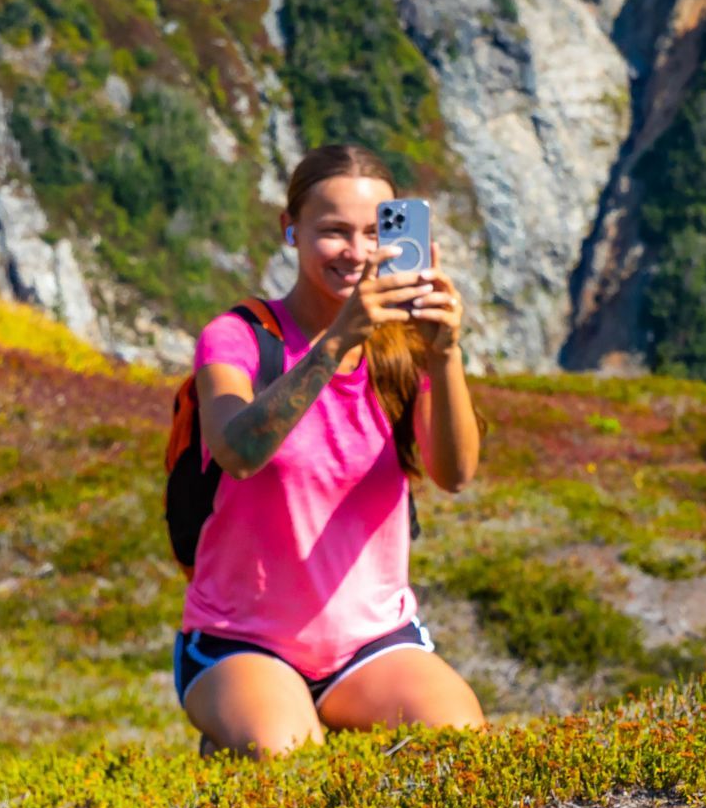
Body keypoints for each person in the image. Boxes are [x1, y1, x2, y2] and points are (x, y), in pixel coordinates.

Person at [174, 144, 486, 756]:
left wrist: (445, 352)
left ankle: (279, 724)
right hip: (240, 640)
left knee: (463, 747)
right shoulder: (237, 338)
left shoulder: (403, 348)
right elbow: (237, 451)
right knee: (288, 761)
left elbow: (455, 473)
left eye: (376, 232)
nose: (358, 251)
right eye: (333, 232)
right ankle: (246, 726)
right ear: (289, 230)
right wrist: (339, 338)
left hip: (374, 641)